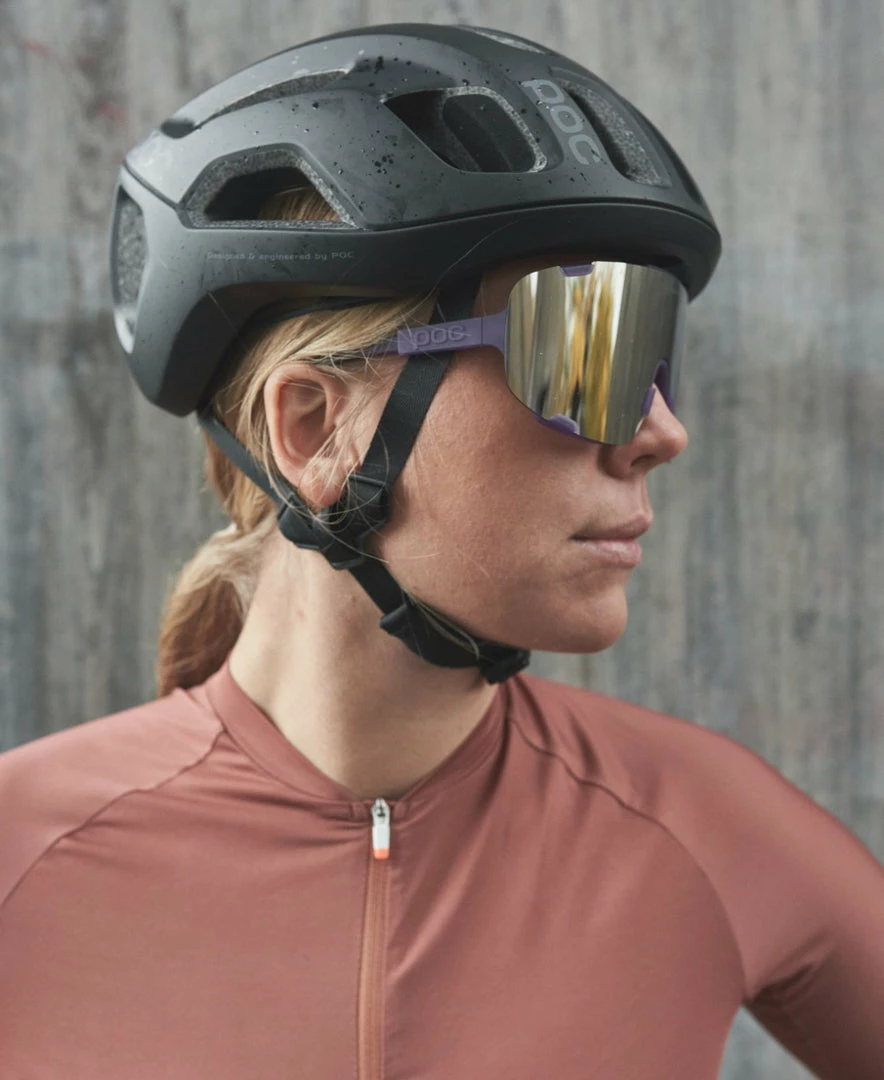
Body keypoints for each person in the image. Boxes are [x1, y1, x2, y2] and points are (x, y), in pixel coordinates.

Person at [1, 22, 882, 1080]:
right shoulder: (23, 858)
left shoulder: (707, 828)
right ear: (313, 429)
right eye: (587, 351)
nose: (660, 432)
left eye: (653, 354)